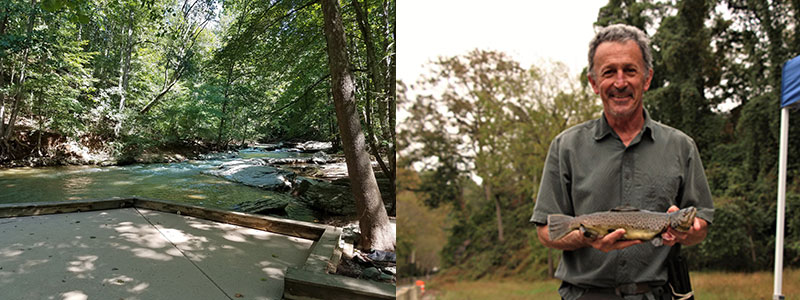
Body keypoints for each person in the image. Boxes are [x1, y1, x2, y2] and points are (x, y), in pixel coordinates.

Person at [530, 24, 714, 300]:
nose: (619, 82)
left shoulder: (681, 146)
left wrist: (689, 232)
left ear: (647, 78)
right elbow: (546, 231)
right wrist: (587, 236)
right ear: (594, 83)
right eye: (608, 72)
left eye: (630, 70)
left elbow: (701, 221)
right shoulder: (565, 146)